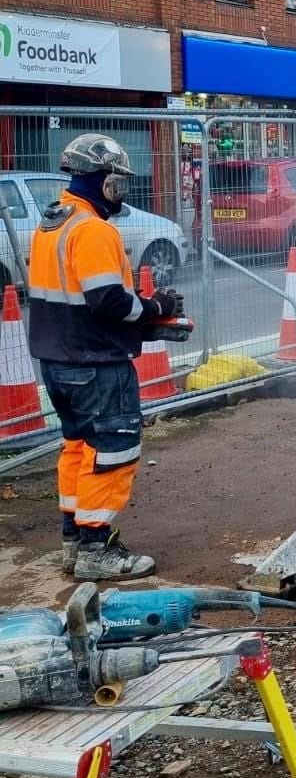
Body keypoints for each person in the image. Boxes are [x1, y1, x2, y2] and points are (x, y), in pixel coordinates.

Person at [27, 134, 189, 580]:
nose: (123, 190)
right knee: (113, 451)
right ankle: (97, 548)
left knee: (78, 449)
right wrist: (155, 309)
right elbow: (108, 302)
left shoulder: (53, 223)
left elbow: (84, 294)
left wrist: (140, 307)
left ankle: (74, 540)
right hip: (94, 363)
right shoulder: (93, 229)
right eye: (119, 181)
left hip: (59, 360)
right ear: (105, 182)